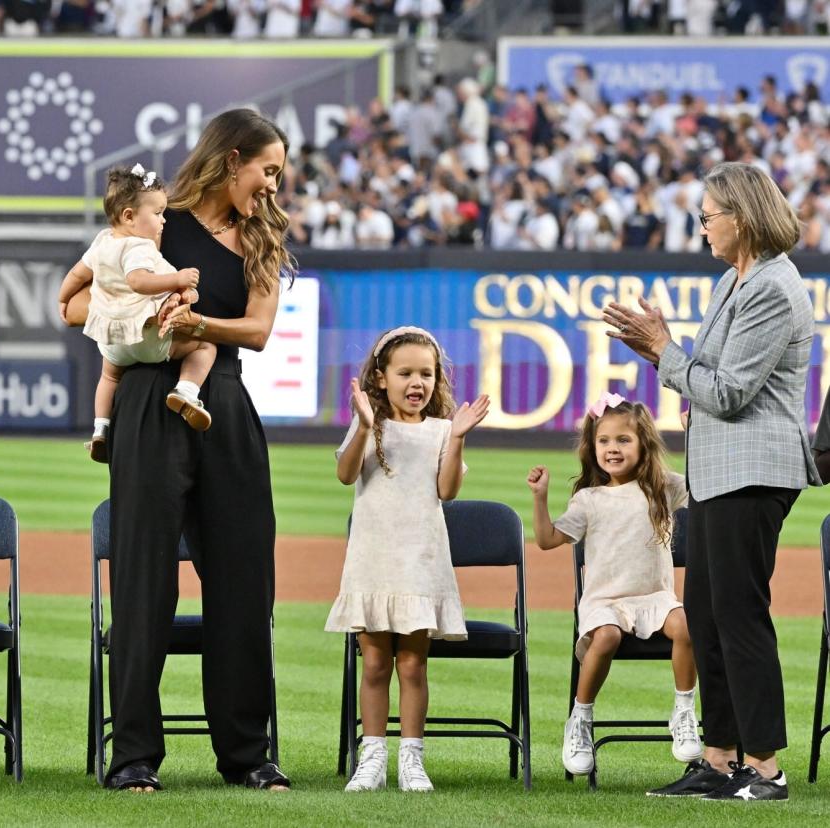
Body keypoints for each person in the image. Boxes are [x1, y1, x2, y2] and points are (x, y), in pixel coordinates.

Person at [64, 109, 294, 792]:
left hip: (221, 397)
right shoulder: (152, 223)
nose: (275, 186)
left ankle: (247, 755)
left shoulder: (264, 237)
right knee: (142, 580)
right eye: (268, 170)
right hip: (145, 398)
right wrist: (137, 319)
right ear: (233, 161)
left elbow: (256, 331)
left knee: (245, 580)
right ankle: (133, 755)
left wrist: (196, 322)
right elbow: (74, 306)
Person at [604, 162, 819, 802]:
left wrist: (663, 350)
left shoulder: (773, 288)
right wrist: (669, 356)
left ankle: (764, 767)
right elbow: (709, 377)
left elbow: (726, 391)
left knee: (739, 614)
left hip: (754, 471)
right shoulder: (735, 280)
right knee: (705, 612)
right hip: (722, 470)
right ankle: (720, 760)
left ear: (742, 218)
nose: (701, 228)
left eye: (708, 216)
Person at [326, 326, 488, 792]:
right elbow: (345, 473)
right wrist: (361, 423)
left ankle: (411, 760)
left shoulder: (441, 430)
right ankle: (372, 757)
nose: (417, 383)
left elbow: (447, 490)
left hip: (421, 560)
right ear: (381, 378)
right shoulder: (368, 424)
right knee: (374, 664)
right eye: (405, 373)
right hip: (374, 559)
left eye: (427, 374)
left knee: (413, 665)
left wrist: (457, 437)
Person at [527, 395, 700, 778]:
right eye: (604, 441)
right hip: (605, 601)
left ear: (643, 445)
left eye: (623, 440)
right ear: (593, 447)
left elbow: (703, 490)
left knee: (689, 625)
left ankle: (684, 711)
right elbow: (546, 540)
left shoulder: (662, 488)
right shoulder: (589, 499)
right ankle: (581, 719)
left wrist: (696, 437)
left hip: (655, 598)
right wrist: (540, 499)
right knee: (605, 637)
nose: (613, 449)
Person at [57, 164, 216, 462]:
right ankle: (186, 391)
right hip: (147, 336)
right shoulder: (139, 247)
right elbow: (139, 281)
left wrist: (63, 300)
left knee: (108, 377)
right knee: (206, 344)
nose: (163, 220)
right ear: (129, 216)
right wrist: (179, 280)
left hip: (113, 341)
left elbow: (77, 275)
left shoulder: (102, 241)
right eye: (157, 213)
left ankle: (100, 430)